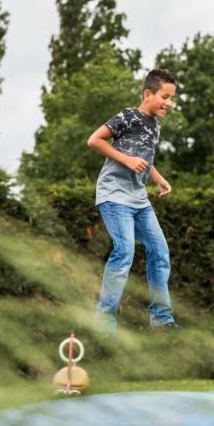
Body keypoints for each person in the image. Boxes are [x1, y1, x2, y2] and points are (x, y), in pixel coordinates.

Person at [86, 68, 178, 331]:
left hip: (138, 199)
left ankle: (161, 319)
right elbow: (94, 140)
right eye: (164, 96)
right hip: (114, 195)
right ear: (148, 94)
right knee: (125, 250)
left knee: (159, 252)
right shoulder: (128, 116)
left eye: (171, 98)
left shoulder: (155, 125)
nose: (168, 103)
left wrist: (157, 177)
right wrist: (126, 159)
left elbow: (144, 158)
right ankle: (104, 324)